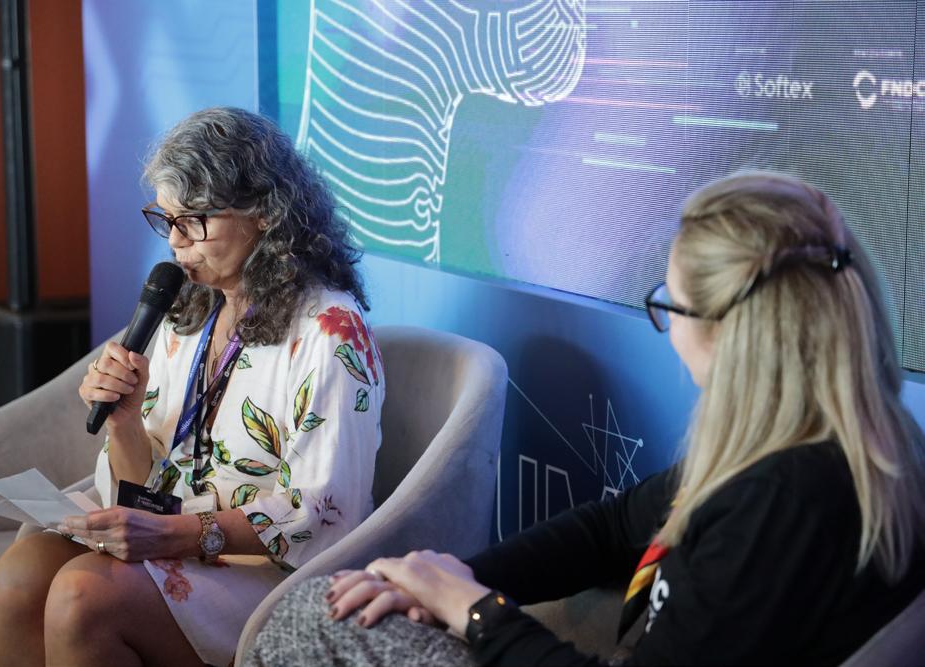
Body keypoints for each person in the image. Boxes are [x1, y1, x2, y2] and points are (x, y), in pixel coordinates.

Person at [249, 171, 925, 666]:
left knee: (311, 617)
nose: (669, 328)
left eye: (669, 305)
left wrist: (475, 611)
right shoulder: (819, 444)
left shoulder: (784, 502)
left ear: (729, 331)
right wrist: (452, 579)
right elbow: (613, 527)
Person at [0, 107, 386, 667]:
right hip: (171, 530)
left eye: (193, 221)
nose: (174, 242)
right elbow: (140, 483)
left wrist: (174, 535)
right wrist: (125, 422)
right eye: (166, 219)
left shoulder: (329, 329)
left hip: (269, 567)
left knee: (82, 596)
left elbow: (321, 511)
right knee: (17, 579)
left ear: (265, 213)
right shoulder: (190, 311)